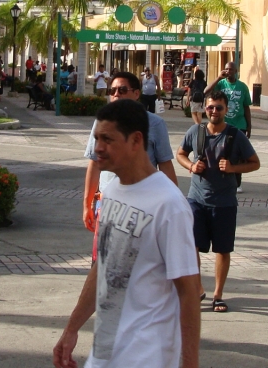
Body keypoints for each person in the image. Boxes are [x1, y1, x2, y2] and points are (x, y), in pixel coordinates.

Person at [54, 99, 201, 368]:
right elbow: (103, 267)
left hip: (147, 356)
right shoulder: (110, 194)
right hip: (105, 353)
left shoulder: (169, 205)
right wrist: (72, 329)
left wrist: (189, 363)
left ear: (135, 141)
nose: (98, 147)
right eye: (96, 138)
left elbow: (188, 291)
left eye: (107, 139)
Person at [176, 90, 260, 314]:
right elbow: (180, 153)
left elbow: (254, 163)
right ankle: (198, 289)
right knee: (191, 246)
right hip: (196, 199)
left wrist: (233, 169)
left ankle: (218, 295)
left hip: (224, 202)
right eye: (211, 107)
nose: (214, 111)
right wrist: (192, 166)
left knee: (222, 250)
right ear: (205, 108)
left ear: (226, 110)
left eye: (219, 107)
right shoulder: (196, 131)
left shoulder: (235, 136)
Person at [82, 71, 178, 241]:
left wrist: (175, 204)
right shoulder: (101, 122)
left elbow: (165, 164)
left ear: (136, 93)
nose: (116, 95)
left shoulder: (155, 124)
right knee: (104, 259)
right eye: (112, 91)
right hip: (107, 203)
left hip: (143, 206)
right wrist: (87, 205)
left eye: (122, 90)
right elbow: (95, 163)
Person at [212, 62, 252, 192]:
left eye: (231, 69)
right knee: (223, 153)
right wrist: (218, 78)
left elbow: (246, 107)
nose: (228, 71)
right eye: (226, 69)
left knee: (237, 154)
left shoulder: (242, 87)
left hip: (239, 125)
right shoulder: (221, 84)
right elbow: (206, 92)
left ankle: (237, 182)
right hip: (224, 124)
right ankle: (223, 180)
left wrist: (249, 126)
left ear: (236, 71)